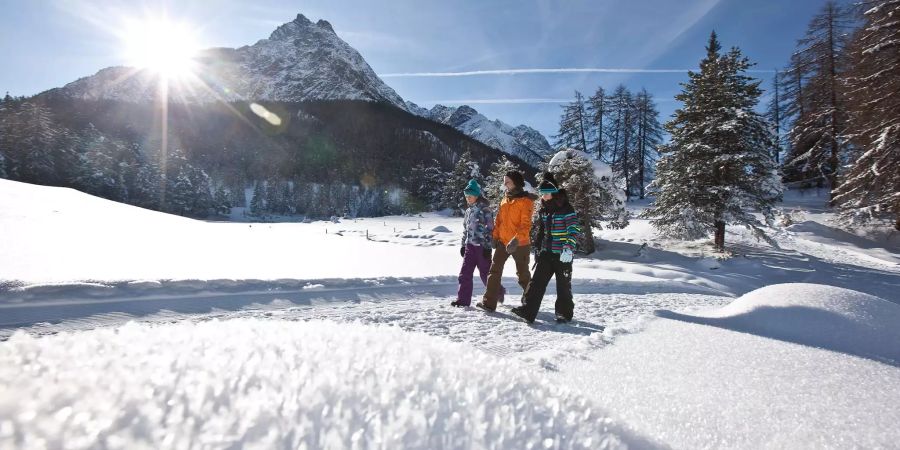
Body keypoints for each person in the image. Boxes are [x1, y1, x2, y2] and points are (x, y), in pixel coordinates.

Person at [511, 173, 581, 323]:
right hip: (546, 253)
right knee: (536, 283)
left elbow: (573, 230)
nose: (544, 196)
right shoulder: (544, 210)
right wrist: (538, 247)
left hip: (563, 254)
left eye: (547, 193)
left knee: (563, 285)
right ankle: (528, 311)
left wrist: (568, 247)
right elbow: (542, 231)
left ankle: (564, 313)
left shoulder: (566, 209)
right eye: (542, 193)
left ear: (555, 192)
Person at [476, 170, 536, 312]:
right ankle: (489, 303)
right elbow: (499, 221)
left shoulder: (526, 201)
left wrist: (516, 240)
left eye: (507, 182)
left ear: (516, 182)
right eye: (504, 182)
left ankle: (531, 301)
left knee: (523, 275)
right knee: (494, 271)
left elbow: (525, 225)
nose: (505, 185)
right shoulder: (504, 199)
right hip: (503, 242)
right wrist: (495, 237)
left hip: (520, 244)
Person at [453, 179, 495, 307]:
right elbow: (465, 230)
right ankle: (463, 301)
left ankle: (497, 293)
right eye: (466, 196)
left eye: (470, 196)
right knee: (464, 273)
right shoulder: (468, 211)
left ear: (477, 195)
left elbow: (490, 229)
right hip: (469, 247)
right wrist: (463, 245)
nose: (468, 198)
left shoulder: (485, 209)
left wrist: (488, 247)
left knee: (485, 274)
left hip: (482, 247)